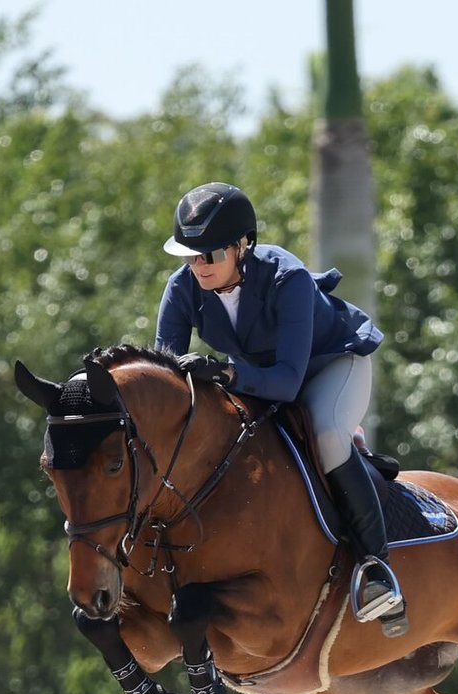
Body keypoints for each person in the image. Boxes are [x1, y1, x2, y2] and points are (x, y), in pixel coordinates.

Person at [152, 182, 406, 635]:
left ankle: (379, 571)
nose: (198, 266)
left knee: (326, 433)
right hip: (259, 376)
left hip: (328, 366)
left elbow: (288, 383)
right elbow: (166, 372)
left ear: (241, 246)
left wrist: (226, 376)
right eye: (189, 256)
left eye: (208, 255)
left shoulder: (285, 277)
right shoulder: (183, 288)